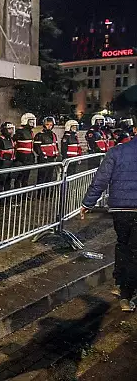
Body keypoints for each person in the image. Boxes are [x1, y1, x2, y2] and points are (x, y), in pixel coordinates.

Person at [81, 116, 137, 312]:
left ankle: (120, 283)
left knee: (123, 245)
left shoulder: (117, 152)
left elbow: (100, 180)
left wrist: (87, 203)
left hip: (120, 209)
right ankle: (127, 295)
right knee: (133, 251)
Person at [33, 116, 59, 185]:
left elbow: (56, 146)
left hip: (52, 159)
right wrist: (42, 156)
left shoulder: (53, 135)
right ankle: (40, 194)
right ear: (44, 125)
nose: (49, 126)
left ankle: (47, 194)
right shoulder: (39, 135)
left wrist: (56, 155)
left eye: (51, 125)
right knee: (41, 178)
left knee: (49, 178)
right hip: (43, 159)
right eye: (47, 124)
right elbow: (36, 147)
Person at [13, 113, 36, 188]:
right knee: (19, 177)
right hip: (21, 157)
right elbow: (14, 143)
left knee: (26, 177)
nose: (32, 123)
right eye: (30, 121)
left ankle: (24, 194)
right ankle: (17, 194)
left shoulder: (31, 132)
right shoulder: (20, 131)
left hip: (29, 157)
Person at [0, 122, 16, 192]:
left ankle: (7, 199)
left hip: (10, 163)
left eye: (11, 129)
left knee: (8, 182)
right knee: (1, 182)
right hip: (3, 163)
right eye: (9, 129)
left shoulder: (11, 139)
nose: (11, 131)